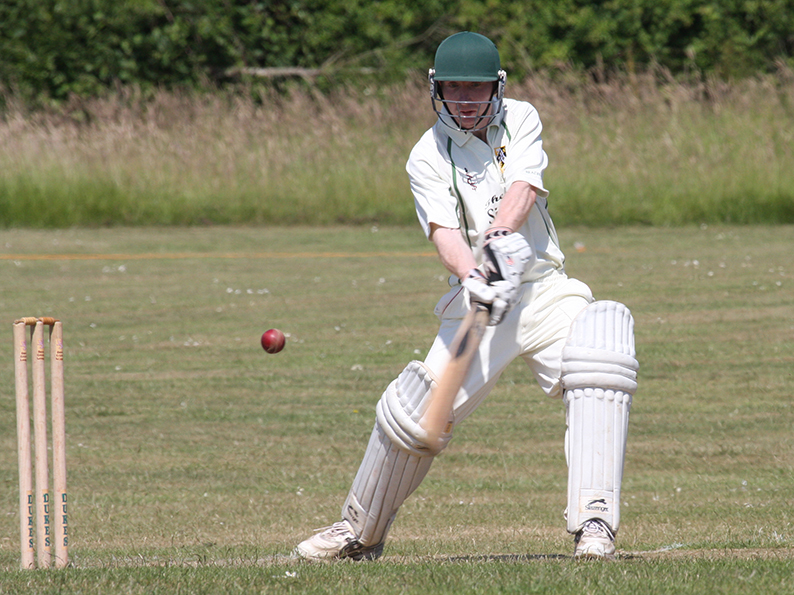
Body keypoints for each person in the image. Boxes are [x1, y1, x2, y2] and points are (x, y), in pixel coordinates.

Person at [294, 31, 638, 561]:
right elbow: (444, 233)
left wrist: (500, 247)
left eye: (475, 89)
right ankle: (359, 532)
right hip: (478, 300)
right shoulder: (425, 155)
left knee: (601, 353)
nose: (466, 100)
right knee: (413, 414)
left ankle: (594, 524)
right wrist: (476, 274)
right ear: (437, 90)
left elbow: (524, 187)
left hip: (544, 289)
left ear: (496, 88)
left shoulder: (520, 117)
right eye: (454, 89)